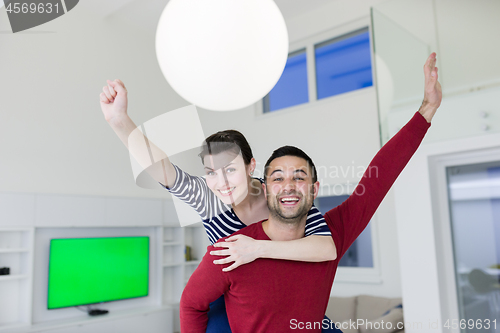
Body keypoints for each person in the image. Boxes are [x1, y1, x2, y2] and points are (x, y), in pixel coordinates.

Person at [179, 52, 442, 332]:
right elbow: (191, 305)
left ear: (314, 189)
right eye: (278, 178)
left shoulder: (330, 235)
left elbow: (380, 178)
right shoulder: (233, 250)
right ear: (265, 188)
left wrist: (426, 109)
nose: (289, 185)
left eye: (299, 177)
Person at [100, 71, 338, 332]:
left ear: (251, 167)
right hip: (227, 298)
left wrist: (257, 248)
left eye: (230, 169)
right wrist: (118, 120)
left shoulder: (279, 193)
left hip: (279, 295)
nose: (221, 182)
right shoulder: (208, 198)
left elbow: (324, 248)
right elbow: (163, 168)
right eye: (211, 172)